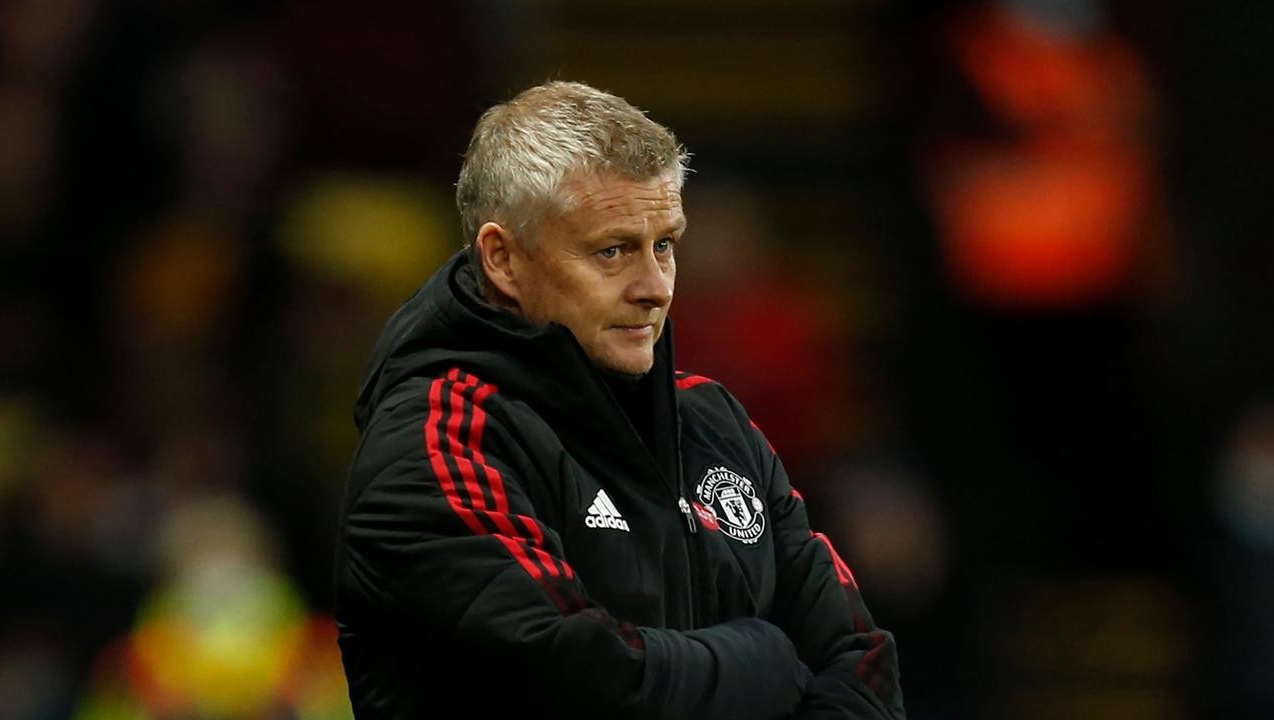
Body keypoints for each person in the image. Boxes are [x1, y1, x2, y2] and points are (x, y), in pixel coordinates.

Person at [334, 81, 905, 719]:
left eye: (665, 245)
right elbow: (585, 683)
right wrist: (765, 657)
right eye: (613, 251)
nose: (655, 287)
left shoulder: (713, 421)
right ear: (502, 258)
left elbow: (863, 665)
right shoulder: (437, 441)